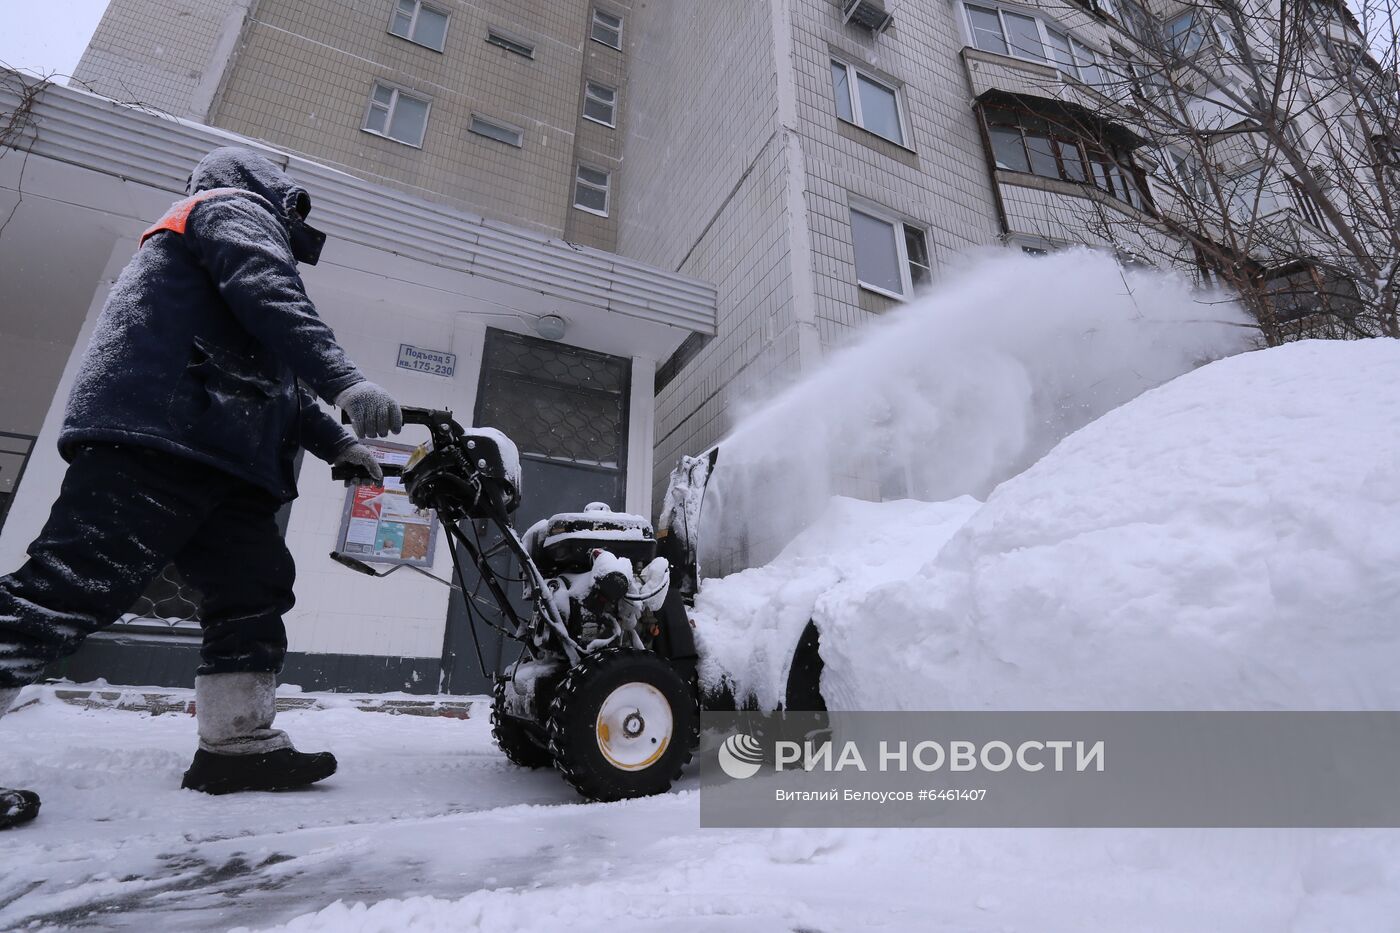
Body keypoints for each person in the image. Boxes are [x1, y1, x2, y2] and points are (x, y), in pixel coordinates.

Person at [0, 147, 403, 828]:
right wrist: (347, 379)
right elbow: (270, 295)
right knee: (70, 585)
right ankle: (234, 743)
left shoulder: (221, 235)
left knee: (253, 588)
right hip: (159, 431)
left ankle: (236, 746)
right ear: (271, 190)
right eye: (294, 201)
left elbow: (277, 383)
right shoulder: (228, 209)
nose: (296, 215)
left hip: (220, 452)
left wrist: (340, 443)